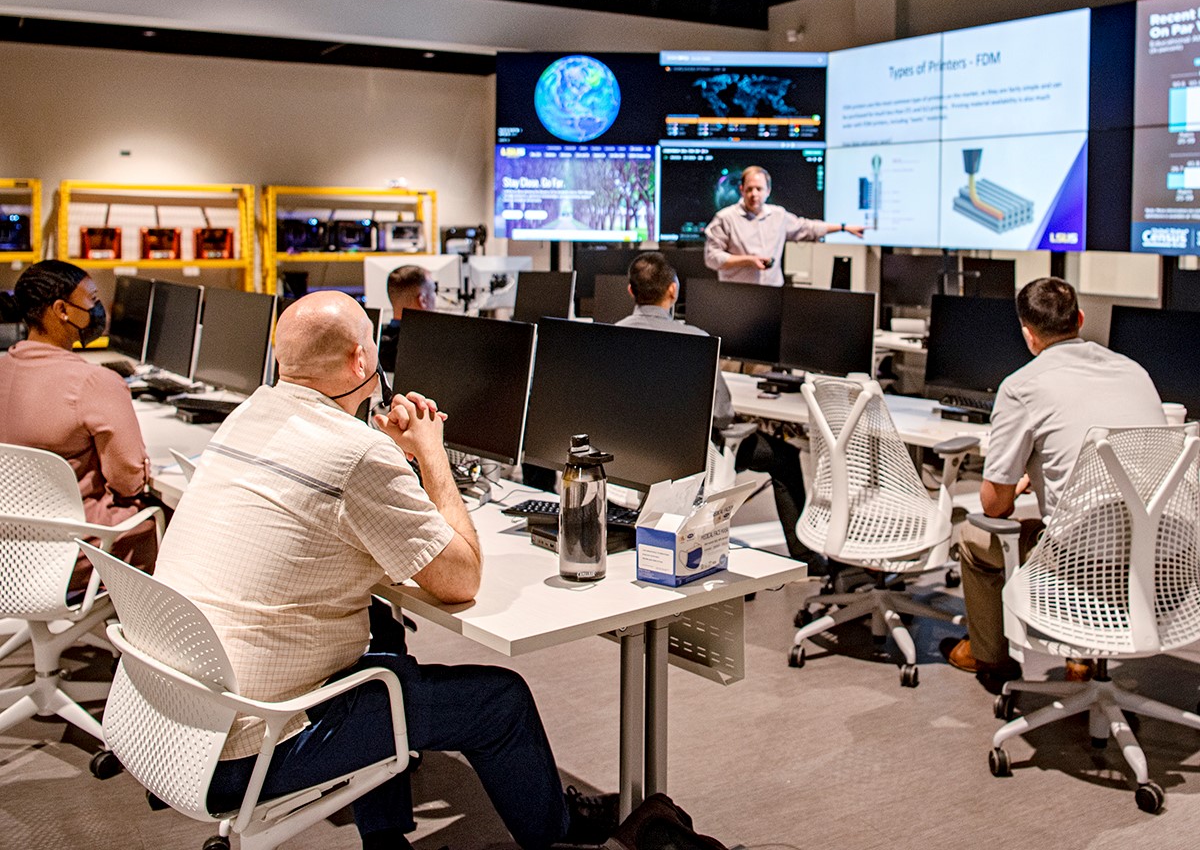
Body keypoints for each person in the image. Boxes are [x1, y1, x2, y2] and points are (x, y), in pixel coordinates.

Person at [152, 291, 615, 850]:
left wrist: (384, 455)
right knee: (500, 700)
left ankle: (385, 838)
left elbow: (324, 504)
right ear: (359, 362)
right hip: (248, 746)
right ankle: (558, 837)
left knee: (385, 632)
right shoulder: (356, 456)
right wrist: (430, 454)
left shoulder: (250, 414)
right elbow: (460, 580)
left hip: (174, 714)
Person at [941, 278, 1165, 691]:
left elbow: (996, 507)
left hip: (1081, 571)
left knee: (974, 537)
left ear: (1028, 335)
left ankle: (988, 656)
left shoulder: (1023, 386)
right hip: (1162, 564)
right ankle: (1080, 660)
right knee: (1093, 529)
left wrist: (1017, 480)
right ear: (1080, 319)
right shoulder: (1134, 371)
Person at [616, 252, 824, 572]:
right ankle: (805, 557)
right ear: (674, 290)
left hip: (634, 460)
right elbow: (723, 415)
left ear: (630, 291)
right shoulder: (698, 343)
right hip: (694, 466)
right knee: (783, 457)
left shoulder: (611, 338)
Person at [0, 260, 154, 588]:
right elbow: (128, 482)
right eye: (93, 301)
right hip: (74, 552)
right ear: (62, 310)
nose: (99, 310)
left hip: (9, 554)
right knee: (171, 519)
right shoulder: (95, 382)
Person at [704, 166, 864, 286]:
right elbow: (711, 258)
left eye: (759, 189)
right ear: (741, 190)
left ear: (768, 191)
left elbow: (808, 228)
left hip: (772, 295)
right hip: (736, 295)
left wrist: (844, 228)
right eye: (749, 189)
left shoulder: (778, 215)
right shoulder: (725, 218)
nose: (754, 194)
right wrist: (748, 261)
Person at [378, 264, 437, 375]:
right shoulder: (435, 346)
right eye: (434, 291)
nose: (435, 297)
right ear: (422, 300)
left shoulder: (376, 344)